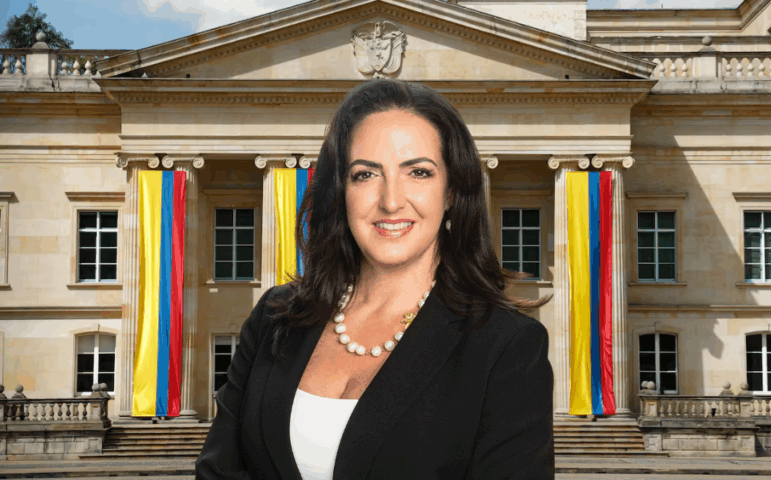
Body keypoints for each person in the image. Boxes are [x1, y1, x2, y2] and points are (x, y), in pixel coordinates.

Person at [195, 79, 554, 480]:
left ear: (452, 191)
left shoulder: (507, 346)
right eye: (365, 174)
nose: (390, 201)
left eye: (418, 172)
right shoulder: (275, 317)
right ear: (341, 190)